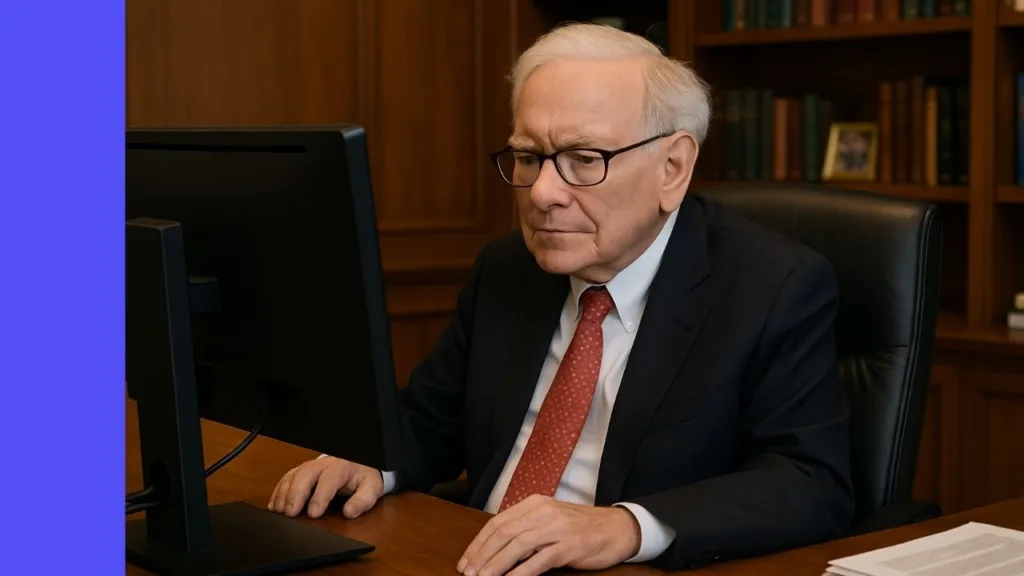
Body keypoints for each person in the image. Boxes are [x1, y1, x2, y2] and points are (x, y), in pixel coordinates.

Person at [268, 22, 854, 575]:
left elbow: (809, 481)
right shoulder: (507, 267)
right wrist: (369, 460)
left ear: (673, 167)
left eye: (584, 159)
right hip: (467, 553)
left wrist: (625, 526)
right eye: (529, 158)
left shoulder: (771, 286)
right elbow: (428, 420)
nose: (543, 193)